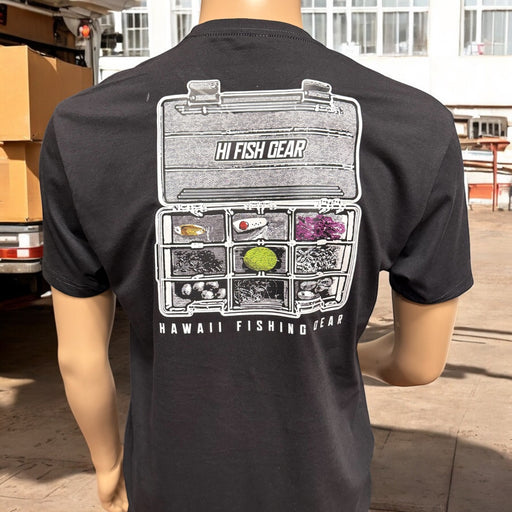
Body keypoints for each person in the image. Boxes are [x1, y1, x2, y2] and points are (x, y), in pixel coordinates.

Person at [39, 1, 473, 511]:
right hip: (327, 490)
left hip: (167, 486)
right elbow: (418, 363)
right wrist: (337, 354)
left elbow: (79, 359)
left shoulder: (85, 125)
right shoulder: (417, 125)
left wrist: (110, 466)